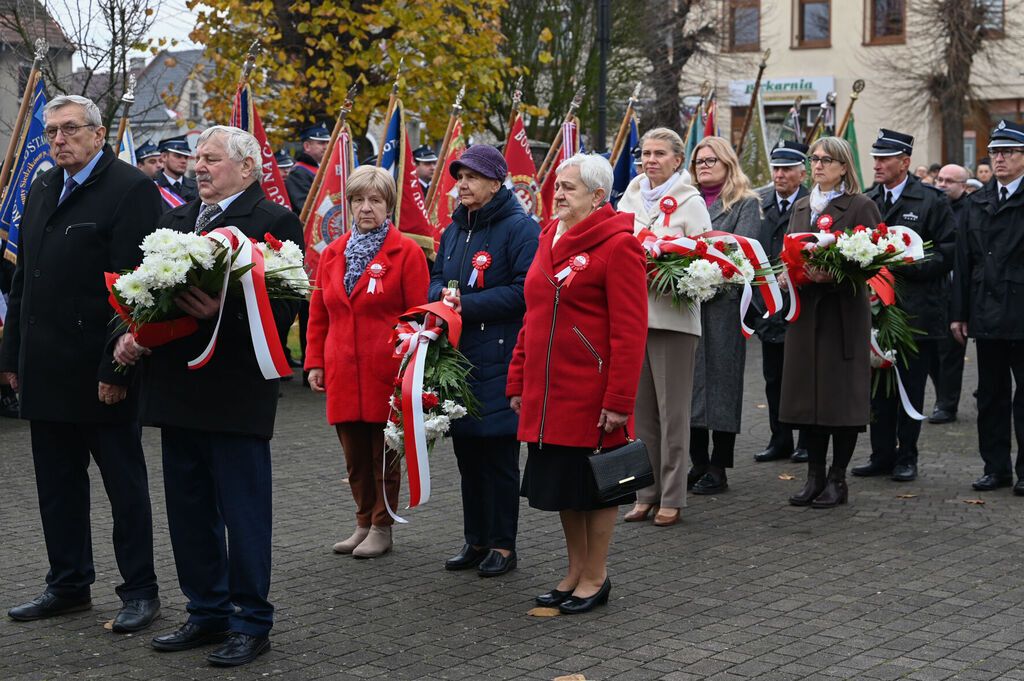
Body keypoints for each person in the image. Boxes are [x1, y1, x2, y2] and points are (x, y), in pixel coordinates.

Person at [120, 126, 304, 666]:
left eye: (211, 159)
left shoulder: (272, 222)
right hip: (176, 391)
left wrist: (222, 311)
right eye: (197, 158)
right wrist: (132, 333)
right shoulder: (175, 220)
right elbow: (148, 293)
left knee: (243, 515)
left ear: (246, 168)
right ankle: (206, 611)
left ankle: (250, 622)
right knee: (189, 512)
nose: (199, 166)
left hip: (234, 394)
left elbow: (286, 310)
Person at [0, 95, 161, 631]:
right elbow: (24, 282)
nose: (58, 139)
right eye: (51, 131)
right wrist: (11, 355)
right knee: (57, 488)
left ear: (97, 133)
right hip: (45, 370)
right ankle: (68, 584)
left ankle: (139, 591)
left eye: (69, 129)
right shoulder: (43, 186)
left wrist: (116, 371)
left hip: (100, 373)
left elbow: (137, 290)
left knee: (124, 489)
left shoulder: (130, 189)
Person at [508, 153, 647, 614]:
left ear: (598, 195)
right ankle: (574, 571)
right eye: (558, 186)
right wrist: (518, 377)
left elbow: (630, 331)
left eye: (569, 187)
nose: (558, 194)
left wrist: (620, 398)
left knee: (596, 487)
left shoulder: (619, 245)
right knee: (565, 487)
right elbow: (532, 315)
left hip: (592, 393)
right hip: (548, 393)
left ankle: (595, 576)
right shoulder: (548, 235)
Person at [305, 165, 429, 558]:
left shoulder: (407, 252)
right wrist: (315, 362)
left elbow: (418, 315)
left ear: (388, 205)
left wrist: (413, 367)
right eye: (358, 200)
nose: (365, 208)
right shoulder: (332, 253)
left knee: (384, 456)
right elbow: (318, 314)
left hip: (387, 371)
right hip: (342, 370)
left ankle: (381, 526)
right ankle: (362, 521)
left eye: (375, 200)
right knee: (354, 457)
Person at [428, 145, 539, 576]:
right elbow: (437, 276)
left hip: (500, 356)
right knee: (468, 456)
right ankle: (475, 539)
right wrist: (441, 297)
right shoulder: (454, 229)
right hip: (459, 358)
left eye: (471, 177)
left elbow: (525, 291)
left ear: (495, 183)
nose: (462, 185)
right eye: (459, 178)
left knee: (498, 459)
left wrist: (466, 306)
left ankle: (503, 545)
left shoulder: (520, 228)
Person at [780, 136, 881, 508]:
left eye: (826, 160)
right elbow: (791, 250)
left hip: (842, 315)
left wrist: (835, 275)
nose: (817, 165)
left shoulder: (860, 206)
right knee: (809, 401)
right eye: (814, 159)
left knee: (840, 402)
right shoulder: (802, 205)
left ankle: (838, 479)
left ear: (843, 166)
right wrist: (787, 274)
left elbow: (873, 261)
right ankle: (814, 476)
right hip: (806, 315)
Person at [617, 127, 710, 527]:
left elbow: (707, 265)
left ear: (677, 160)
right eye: (645, 153)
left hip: (673, 320)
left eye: (659, 154)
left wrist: (667, 268)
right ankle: (645, 493)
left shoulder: (692, 202)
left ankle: (672, 496)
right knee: (641, 416)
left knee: (673, 414)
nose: (650, 160)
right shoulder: (630, 195)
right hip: (633, 317)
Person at [856, 129, 955, 483]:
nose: (877, 164)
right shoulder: (868, 199)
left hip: (916, 313)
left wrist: (906, 264)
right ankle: (881, 455)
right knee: (877, 390)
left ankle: (907, 457)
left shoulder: (931, 200)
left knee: (909, 389)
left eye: (884, 159)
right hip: (874, 311)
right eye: (875, 158)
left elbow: (946, 252)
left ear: (905, 162)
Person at [951, 120, 1024, 494]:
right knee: (991, 397)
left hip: (1021, 311)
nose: (999, 158)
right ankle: (996, 469)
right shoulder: (977, 201)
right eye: (995, 152)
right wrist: (958, 314)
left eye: (1008, 152)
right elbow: (963, 262)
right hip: (987, 311)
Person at [687, 136, 762, 495]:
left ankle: (719, 466)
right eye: (699, 161)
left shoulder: (746, 203)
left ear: (728, 163)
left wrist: (699, 272)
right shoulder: (685, 200)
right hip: (686, 305)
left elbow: (741, 255)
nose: (703, 166)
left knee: (722, 385)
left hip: (724, 307)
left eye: (710, 160)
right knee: (690, 386)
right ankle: (697, 462)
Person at [752, 140, 810, 465]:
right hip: (768, 306)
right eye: (776, 168)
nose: (780, 175)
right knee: (773, 379)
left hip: (801, 306)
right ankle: (780, 439)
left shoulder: (812, 204)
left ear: (803, 173)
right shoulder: (759, 203)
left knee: (802, 378)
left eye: (787, 169)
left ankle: (806, 441)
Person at [929, 164, 971, 424]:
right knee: (932, 352)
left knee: (951, 351)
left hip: (957, 289)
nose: (942, 185)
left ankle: (947, 404)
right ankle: (941, 397)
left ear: (963, 186)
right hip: (933, 288)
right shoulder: (933, 206)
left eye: (949, 181)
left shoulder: (970, 210)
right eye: (940, 180)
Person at [285, 123, 330, 213]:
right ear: (307, 146)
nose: (326, 147)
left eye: (328, 143)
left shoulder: (324, 168)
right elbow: (306, 208)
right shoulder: (298, 173)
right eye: (321, 143)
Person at [156, 135, 198, 202]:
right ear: (164, 157)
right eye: (178, 156)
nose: (184, 161)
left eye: (186, 157)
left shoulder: (197, 187)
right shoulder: (153, 187)